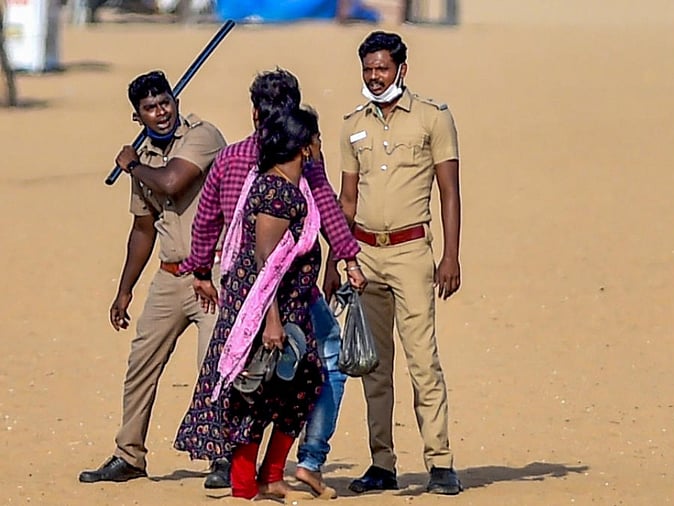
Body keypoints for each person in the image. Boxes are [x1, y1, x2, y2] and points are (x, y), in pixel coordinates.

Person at [175, 68, 360, 496]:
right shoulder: (281, 168)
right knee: (262, 383)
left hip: (287, 292)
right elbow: (266, 258)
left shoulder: (273, 160)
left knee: (280, 380)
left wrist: (204, 270)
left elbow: (207, 223)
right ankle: (266, 474)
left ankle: (275, 474)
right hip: (261, 297)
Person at [78, 70, 227, 483]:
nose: (160, 113)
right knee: (141, 362)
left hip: (212, 272)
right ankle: (129, 455)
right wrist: (123, 291)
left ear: (175, 101)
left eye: (164, 103)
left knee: (214, 365)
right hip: (169, 276)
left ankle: (223, 455)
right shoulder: (145, 159)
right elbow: (143, 229)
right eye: (149, 108)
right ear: (138, 115)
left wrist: (132, 165)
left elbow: (173, 181)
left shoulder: (202, 137)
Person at [337, 30, 462, 495]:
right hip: (365, 253)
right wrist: (339, 257)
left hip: (412, 252)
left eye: (382, 68)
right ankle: (382, 463)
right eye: (368, 69)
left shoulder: (433, 119)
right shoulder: (352, 125)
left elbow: (449, 190)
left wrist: (450, 254)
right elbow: (347, 200)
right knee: (373, 365)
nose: (374, 77)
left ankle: (441, 462)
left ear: (401, 70)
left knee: (422, 360)